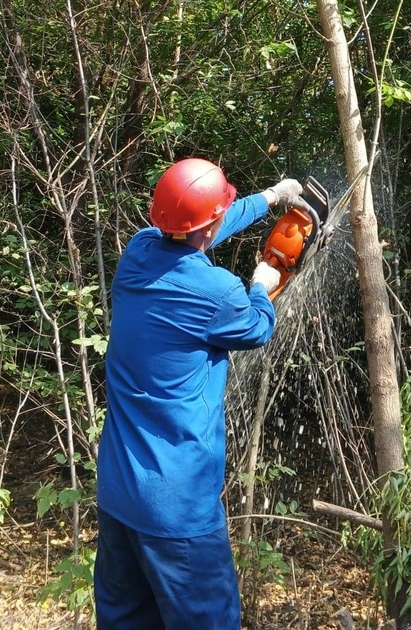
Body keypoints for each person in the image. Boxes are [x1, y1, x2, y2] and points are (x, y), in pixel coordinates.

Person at [94, 157, 302, 630]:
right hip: (178, 508)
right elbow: (256, 327)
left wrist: (272, 197)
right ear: (210, 225)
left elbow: (201, 232)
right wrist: (260, 283)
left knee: (127, 621)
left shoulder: (138, 253)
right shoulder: (220, 293)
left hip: (119, 495)